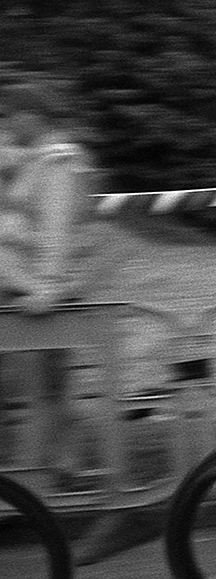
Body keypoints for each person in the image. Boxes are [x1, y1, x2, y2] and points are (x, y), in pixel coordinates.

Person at [0, 83, 113, 491]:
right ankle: (60, 470)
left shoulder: (59, 164)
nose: (6, 124)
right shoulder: (35, 160)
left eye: (10, 116)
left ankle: (36, 487)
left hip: (38, 296)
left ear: (32, 116)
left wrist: (47, 290)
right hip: (24, 291)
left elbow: (57, 231)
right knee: (45, 390)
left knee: (44, 393)